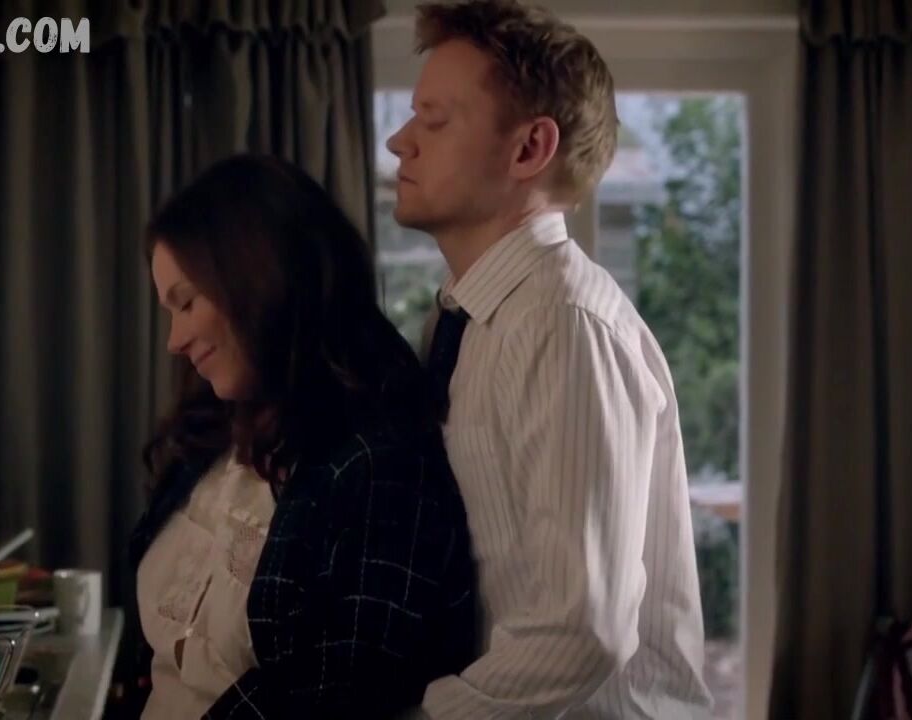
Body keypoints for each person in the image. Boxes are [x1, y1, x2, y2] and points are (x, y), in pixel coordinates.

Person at [386, 1, 713, 717]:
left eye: (433, 121)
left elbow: (580, 630)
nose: (398, 141)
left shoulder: (562, 326)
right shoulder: (469, 321)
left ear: (530, 148)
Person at [127, 154, 478, 719]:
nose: (174, 340)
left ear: (257, 278)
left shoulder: (378, 465)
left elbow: (338, 697)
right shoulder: (216, 437)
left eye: (186, 302)